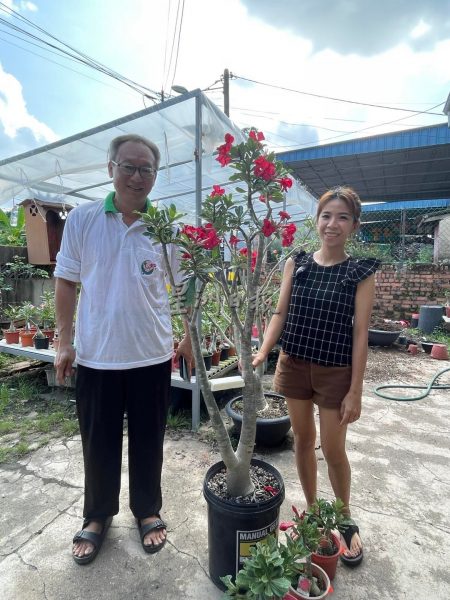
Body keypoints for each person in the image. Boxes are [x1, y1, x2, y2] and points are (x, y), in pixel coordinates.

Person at [54, 133, 191, 565]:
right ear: (110, 168)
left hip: (151, 354)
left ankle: (147, 510)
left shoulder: (166, 227)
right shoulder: (83, 220)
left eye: (146, 169)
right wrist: (63, 340)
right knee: (99, 442)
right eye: (128, 166)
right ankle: (97, 516)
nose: (137, 176)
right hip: (97, 355)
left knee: (150, 439)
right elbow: (66, 280)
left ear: (156, 175)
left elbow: (187, 286)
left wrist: (190, 336)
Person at [253, 186, 380, 567]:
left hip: (334, 371)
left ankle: (344, 519)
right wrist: (262, 351)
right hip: (293, 363)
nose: (332, 224)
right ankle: (314, 515)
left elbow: (361, 334)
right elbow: (279, 314)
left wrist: (355, 391)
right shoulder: (298, 262)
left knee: (333, 448)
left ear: (354, 225)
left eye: (342, 217)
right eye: (327, 215)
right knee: (303, 442)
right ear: (317, 220)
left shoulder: (360, 271)